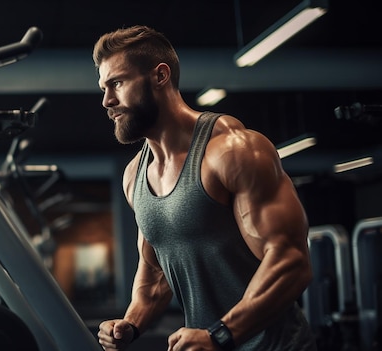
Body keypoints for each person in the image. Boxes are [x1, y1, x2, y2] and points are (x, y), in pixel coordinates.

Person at [93, 25, 316, 350]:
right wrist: (130, 324)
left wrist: (220, 334)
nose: (107, 100)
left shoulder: (233, 151)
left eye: (117, 83)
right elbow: (155, 274)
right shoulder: (134, 177)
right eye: (104, 88)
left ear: (160, 76)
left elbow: (291, 260)